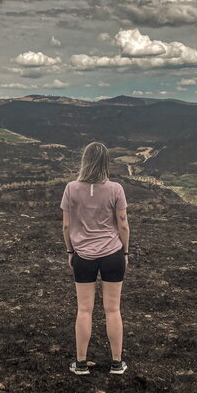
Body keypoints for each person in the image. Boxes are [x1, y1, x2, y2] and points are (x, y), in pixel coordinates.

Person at [60, 142, 130, 376]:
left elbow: (66, 225)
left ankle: (81, 364)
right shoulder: (116, 189)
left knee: (84, 310)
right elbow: (123, 225)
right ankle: (117, 363)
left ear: (85, 161)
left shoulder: (71, 188)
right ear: (105, 163)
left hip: (83, 256)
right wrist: (125, 253)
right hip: (113, 255)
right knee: (113, 309)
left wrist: (70, 251)